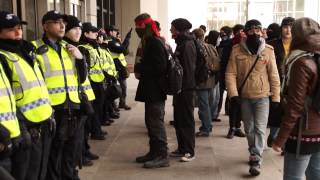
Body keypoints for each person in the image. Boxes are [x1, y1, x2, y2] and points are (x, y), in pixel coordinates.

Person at [32, 10, 86, 180]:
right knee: (54, 153)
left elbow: (81, 78)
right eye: (56, 22)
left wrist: (79, 59)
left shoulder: (68, 48)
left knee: (71, 149)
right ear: (45, 26)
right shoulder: (35, 49)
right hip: (53, 109)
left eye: (63, 22)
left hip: (72, 107)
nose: (62, 26)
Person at [0, 11, 54, 180]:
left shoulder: (26, 52)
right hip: (25, 130)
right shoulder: (4, 57)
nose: (18, 33)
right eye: (11, 30)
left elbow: (39, 87)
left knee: (40, 172)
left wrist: (50, 112)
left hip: (43, 123)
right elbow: (8, 100)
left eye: (19, 28)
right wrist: (22, 128)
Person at [225, 19, 280, 176]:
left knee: (260, 128)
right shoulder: (236, 50)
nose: (255, 33)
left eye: (258, 30)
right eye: (251, 30)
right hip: (244, 97)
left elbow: (274, 75)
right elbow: (230, 74)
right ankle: (253, 150)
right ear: (246, 32)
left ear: (261, 31)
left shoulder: (268, 50)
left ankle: (256, 158)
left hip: (263, 96)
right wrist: (233, 94)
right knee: (248, 128)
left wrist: (276, 98)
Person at [272, 17, 320, 180]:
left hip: (303, 131)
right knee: (316, 174)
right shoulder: (315, 56)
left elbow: (295, 106)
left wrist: (280, 138)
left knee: (293, 176)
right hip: (318, 127)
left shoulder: (300, 62)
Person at [63, 14, 99, 171]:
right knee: (73, 140)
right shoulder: (67, 49)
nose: (78, 32)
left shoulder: (77, 48)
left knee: (81, 134)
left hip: (81, 96)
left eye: (79, 28)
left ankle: (83, 153)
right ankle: (80, 158)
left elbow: (83, 76)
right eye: (74, 28)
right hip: (70, 101)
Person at [134, 13, 169, 169]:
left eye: (139, 26)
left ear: (146, 26)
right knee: (151, 122)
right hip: (151, 90)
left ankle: (162, 155)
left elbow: (160, 67)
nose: (137, 29)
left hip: (155, 90)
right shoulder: (150, 41)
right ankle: (154, 152)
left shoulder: (154, 42)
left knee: (156, 123)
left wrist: (140, 67)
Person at [170, 18, 196, 162]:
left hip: (186, 89)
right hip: (181, 89)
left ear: (179, 30)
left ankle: (189, 150)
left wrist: (181, 87)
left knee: (186, 119)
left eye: (172, 28)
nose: (170, 31)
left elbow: (188, 70)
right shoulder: (182, 43)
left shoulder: (187, 44)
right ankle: (182, 148)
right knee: (179, 119)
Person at [267, 17, 294, 148]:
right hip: (276, 83)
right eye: (285, 27)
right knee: (276, 111)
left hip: (293, 83)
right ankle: (273, 135)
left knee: (289, 113)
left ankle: (285, 142)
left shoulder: (299, 44)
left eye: (291, 27)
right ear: (281, 28)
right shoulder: (272, 44)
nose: (288, 30)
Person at [78, 22, 108, 140]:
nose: (97, 34)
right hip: (91, 83)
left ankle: (97, 128)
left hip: (98, 81)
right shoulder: (83, 48)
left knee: (98, 108)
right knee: (93, 110)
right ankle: (95, 131)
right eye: (93, 32)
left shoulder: (92, 46)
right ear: (85, 33)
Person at [219, 24, 246, 139]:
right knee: (233, 104)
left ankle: (238, 126)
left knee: (241, 104)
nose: (242, 33)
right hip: (232, 79)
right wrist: (225, 80)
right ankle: (232, 128)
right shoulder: (229, 44)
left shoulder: (247, 44)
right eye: (240, 31)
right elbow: (224, 63)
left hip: (244, 80)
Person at [193, 28, 219, 137]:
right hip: (211, 79)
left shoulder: (196, 47)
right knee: (208, 103)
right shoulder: (212, 47)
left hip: (201, 81)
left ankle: (206, 128)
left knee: (204, 105)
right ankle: (207, 125)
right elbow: (218, 63)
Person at [106, 25, 132, 110]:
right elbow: (123, 50)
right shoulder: (110, 42)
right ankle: (114, 106)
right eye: (115, 31)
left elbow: (125, 52)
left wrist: (124, 41)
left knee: (123, 87)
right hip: (114, 67)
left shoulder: (115, 41)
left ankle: (122, 103)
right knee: (114, 88)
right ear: (110, 32)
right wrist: (127, 38)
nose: (117, 32)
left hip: (119, 67)